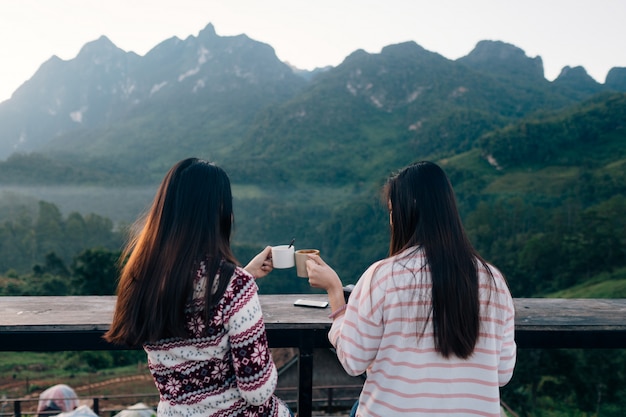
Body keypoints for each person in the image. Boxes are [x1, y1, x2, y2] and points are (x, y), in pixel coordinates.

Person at [306, 161, 516, 417]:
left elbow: (353, 360)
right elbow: (503, 372)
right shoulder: (493, 281)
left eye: (393, 212)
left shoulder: (383, 276)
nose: (392, 221)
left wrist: (337, 299)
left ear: (408, 211)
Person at [104, 158, 292, 417]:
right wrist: (241, 284)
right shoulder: (235, 287)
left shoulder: (143, 280)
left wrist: (245, 275)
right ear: (220, 214)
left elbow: (191, 299)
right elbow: (256, 391)